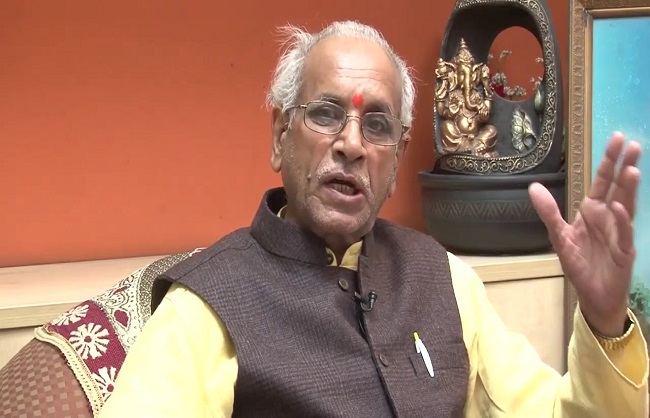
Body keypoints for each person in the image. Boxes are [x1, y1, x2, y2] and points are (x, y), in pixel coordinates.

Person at [98, 21, 648, 417]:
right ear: (280, 135)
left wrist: (605, 322)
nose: (352, 144)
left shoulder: (446, 280)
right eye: (326, 114)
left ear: (398, 159)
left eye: (378, 125)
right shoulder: (205, 309)